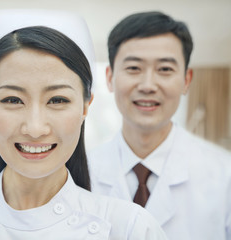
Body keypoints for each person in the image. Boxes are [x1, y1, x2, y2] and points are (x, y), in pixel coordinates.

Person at [0, 9, 167, 239]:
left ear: (86, 106)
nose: (35, 128)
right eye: (13, 100)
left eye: (57, 99)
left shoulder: (130, 229)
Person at [88, 11, 231, 240]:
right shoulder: (79, 175)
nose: (148, 85)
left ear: (186, 80)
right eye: (134, 68)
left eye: (165, 69)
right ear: (109, 77)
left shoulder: (224, 176)